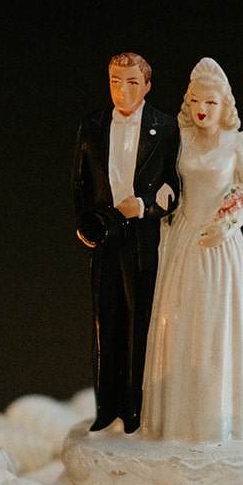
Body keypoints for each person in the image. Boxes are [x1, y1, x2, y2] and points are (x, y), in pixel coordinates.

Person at [141, 57, 243, 443]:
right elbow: (167, 182)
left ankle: (217, 423)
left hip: (219, 246)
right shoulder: (177, 139)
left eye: (210, 103)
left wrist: (224, 226)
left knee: (215, 327)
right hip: (182, 241)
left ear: (223, 105)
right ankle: (178, 423)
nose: (201, 110)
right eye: (196, 101)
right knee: (178, 324)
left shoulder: (238, 142)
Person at [72, 52, 180, 433]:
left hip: (142, 240)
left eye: (132, 82)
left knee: (140, 324)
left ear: (147, 85)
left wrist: (147, 206)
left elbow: (174, 185)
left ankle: (135, 408)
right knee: (105, 323)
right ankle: (106, 407)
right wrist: (85, 225)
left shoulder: (165, 128)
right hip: (105, 237)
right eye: (116, 82)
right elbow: (80, 182)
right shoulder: (93, 124)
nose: (123, 90)